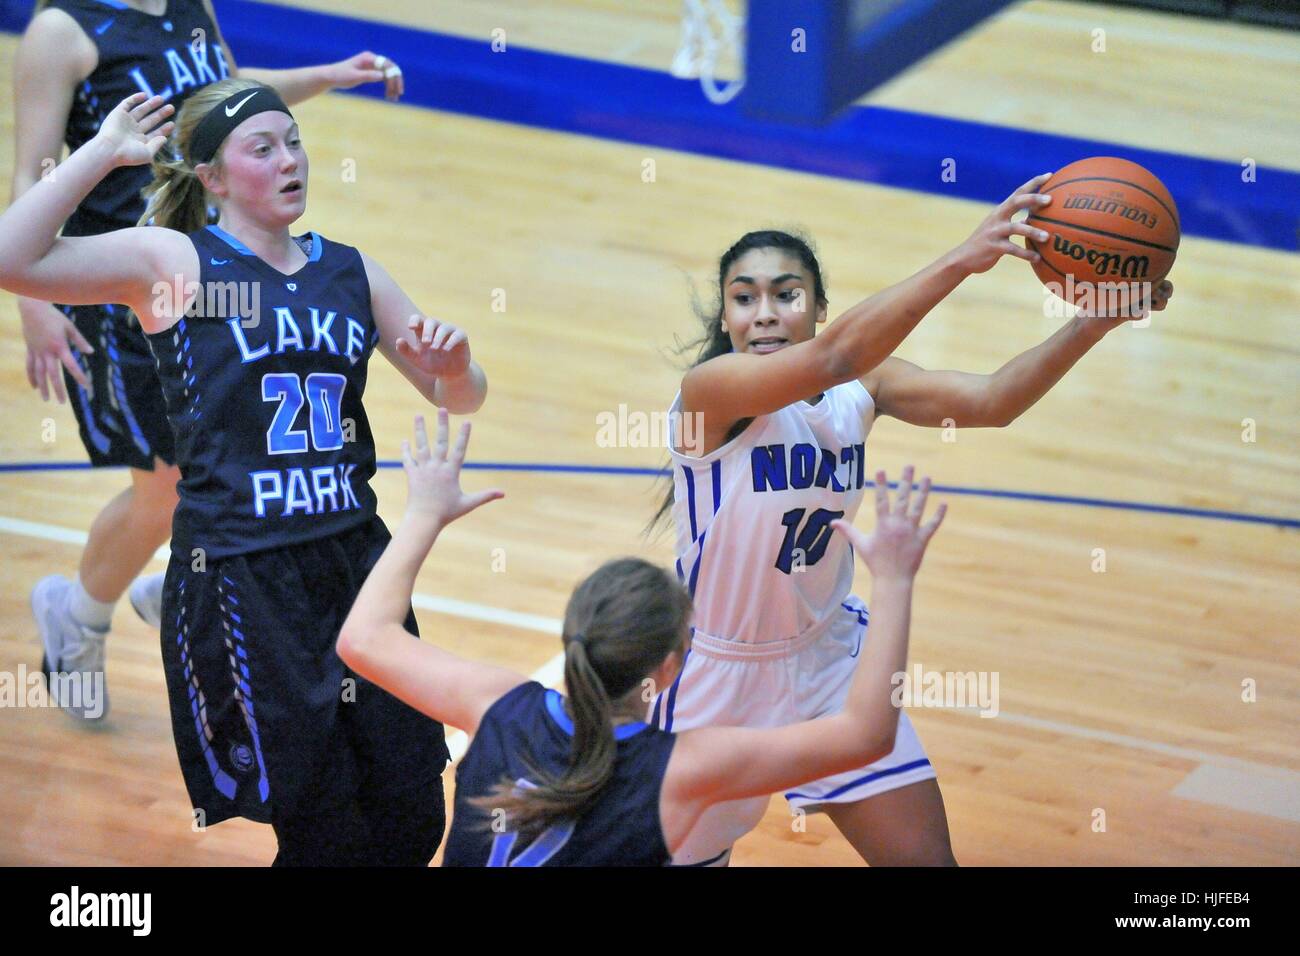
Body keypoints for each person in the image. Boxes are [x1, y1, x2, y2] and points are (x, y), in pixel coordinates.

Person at [0, 81, 486, 864]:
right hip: (245, 575)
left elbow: (458, 394)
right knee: (324, 830)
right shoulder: (176, 262)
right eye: (262, 148)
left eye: (293, 141)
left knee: (411, 814)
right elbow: (10, 257)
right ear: (213, 178)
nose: (290, 159)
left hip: (359, 562)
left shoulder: (350, 271)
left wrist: (457, 369)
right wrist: (98, 154)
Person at [650, 199, 1173, 865]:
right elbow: (836, 355)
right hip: (716, 679)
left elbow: (993, 401)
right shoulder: (708, 394)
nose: (765, 313)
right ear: (726, 318)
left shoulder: (860, 387)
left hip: (827, 662)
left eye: (786, 294)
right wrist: (964, 258)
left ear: (817, 306)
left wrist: (1098, 317)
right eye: (744, 298)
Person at [14, 0, 406, 720]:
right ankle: (81, 615)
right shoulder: (60, 31)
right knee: (164, 488)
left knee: (240, 455)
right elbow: (32, 166)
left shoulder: (187, 5)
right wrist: (33, 304)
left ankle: (188, 582)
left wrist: (324, 75)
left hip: (219, 281)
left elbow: (220, 96)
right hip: (124, 295)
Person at [336, 409, 945, 866]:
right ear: (669, 669)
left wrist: (422, 514)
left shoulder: (497, 705)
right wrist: (894, 580)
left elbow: (363, 638)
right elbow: (866, 733)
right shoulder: (683, 770)